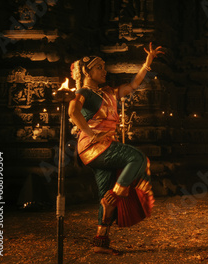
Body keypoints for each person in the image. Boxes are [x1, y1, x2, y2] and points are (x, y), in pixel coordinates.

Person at [68, 43, 164, 255]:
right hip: (95, 146)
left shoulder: (108, 92)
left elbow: (133, 85)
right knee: (137, 158)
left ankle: (100, 241)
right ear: (87, 71)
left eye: (104, 67)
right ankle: (116, 193)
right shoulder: (84, 92)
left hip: (101, 149)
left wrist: (147, 63)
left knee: (105, 196)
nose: (105, 71)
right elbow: (73, 111)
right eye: (100, 67)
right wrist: (91, 133)